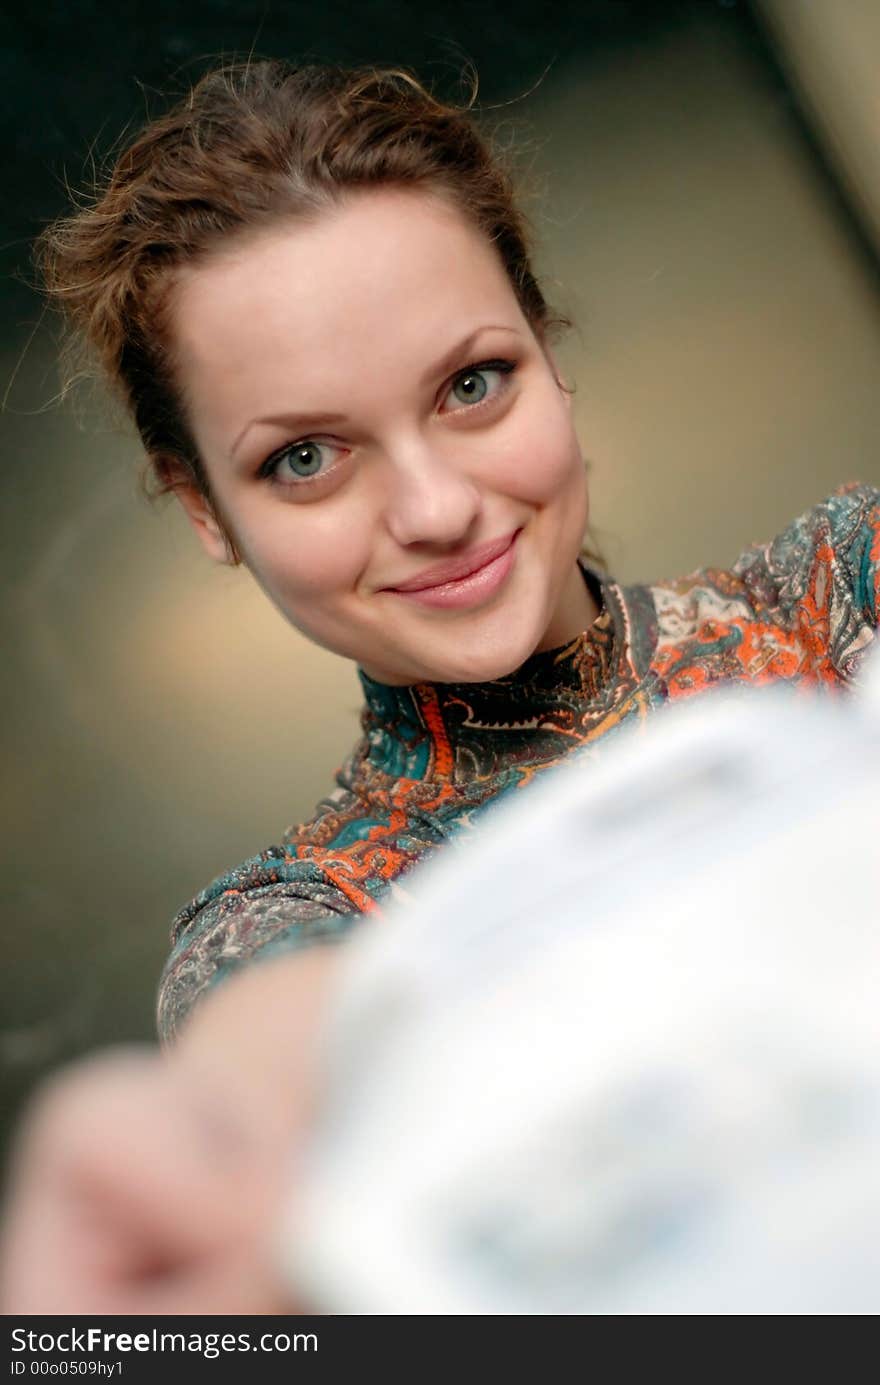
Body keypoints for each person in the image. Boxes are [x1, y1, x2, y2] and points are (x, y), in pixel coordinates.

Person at [1, 57, 878, 1315]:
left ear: (547, 345)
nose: (435, 507)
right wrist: (237, 1140)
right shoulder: (284, 917)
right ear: (203, 508)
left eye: (472, 383)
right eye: (304, 457)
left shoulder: (847, 590)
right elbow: (277, 1038)